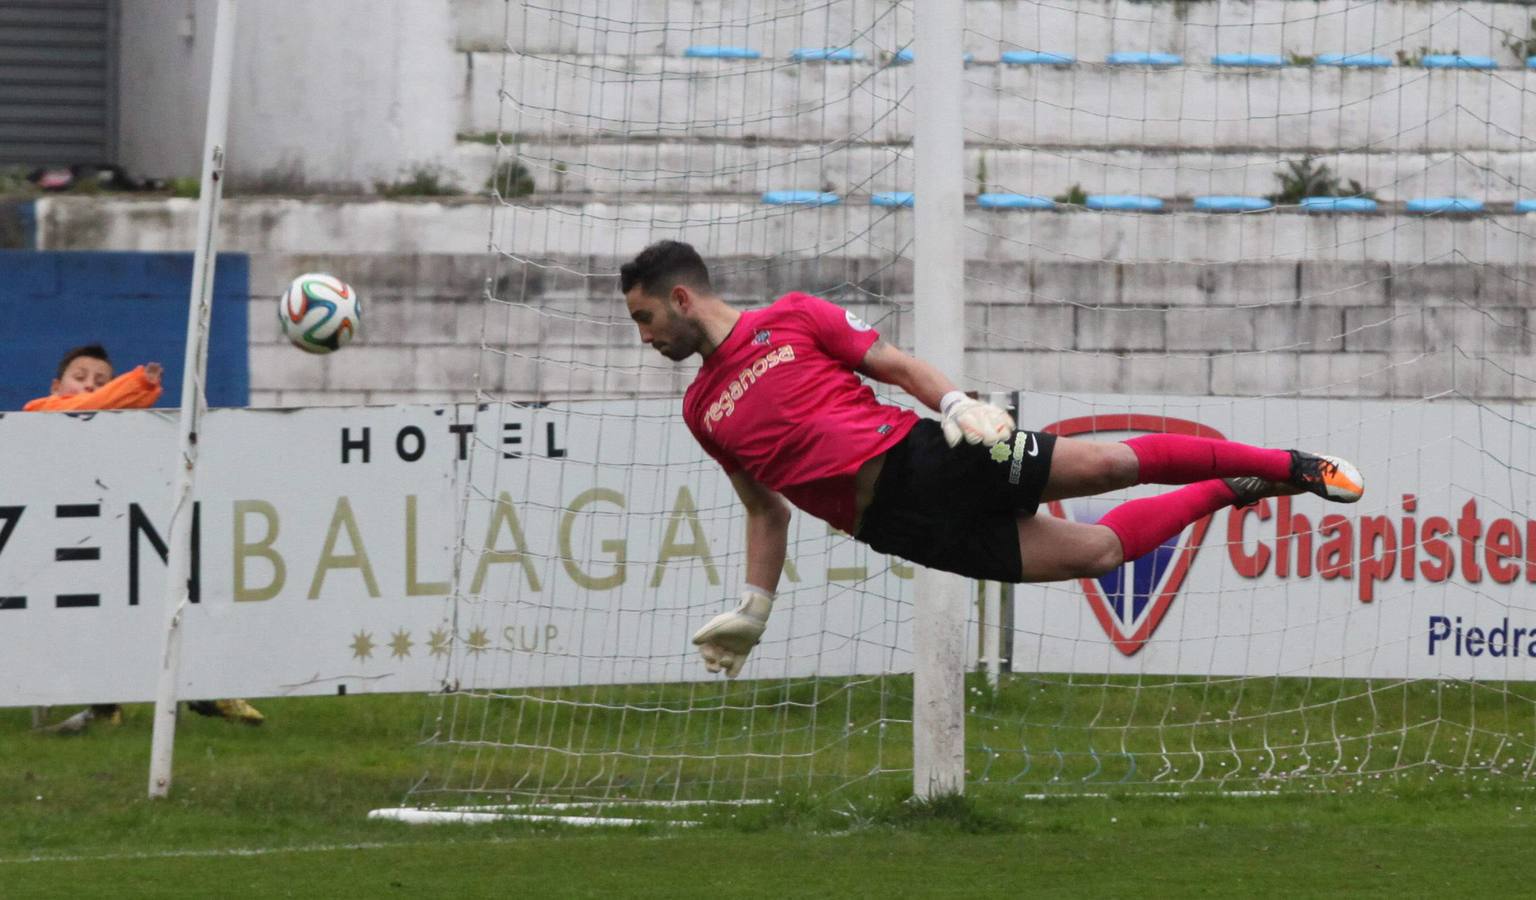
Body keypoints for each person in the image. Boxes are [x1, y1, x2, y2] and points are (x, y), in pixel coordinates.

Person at [619, 240, 1365, 678]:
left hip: (929, 458)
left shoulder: (793, 317)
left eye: (645, 318)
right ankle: (1234, 486)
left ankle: (1291, 463)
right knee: (1100, 551)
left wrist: (954, 407)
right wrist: (756, 608)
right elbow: (763, 507)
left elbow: (900, 367)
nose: (644, 337)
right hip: (898, 527)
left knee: (1106, 468)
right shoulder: (700, 410)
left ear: (681, 298)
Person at [25, 345, 265, 730]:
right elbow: (81, 409)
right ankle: (105, 707)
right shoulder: (38, 413)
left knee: (176, 597)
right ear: (56, 385)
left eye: (100, 381)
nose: (89, 387)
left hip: (121, 540)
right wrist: (135, 387)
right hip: (56, 552)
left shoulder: (123, 428)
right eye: (80, 377)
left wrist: (136, 395)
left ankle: (207, 688)